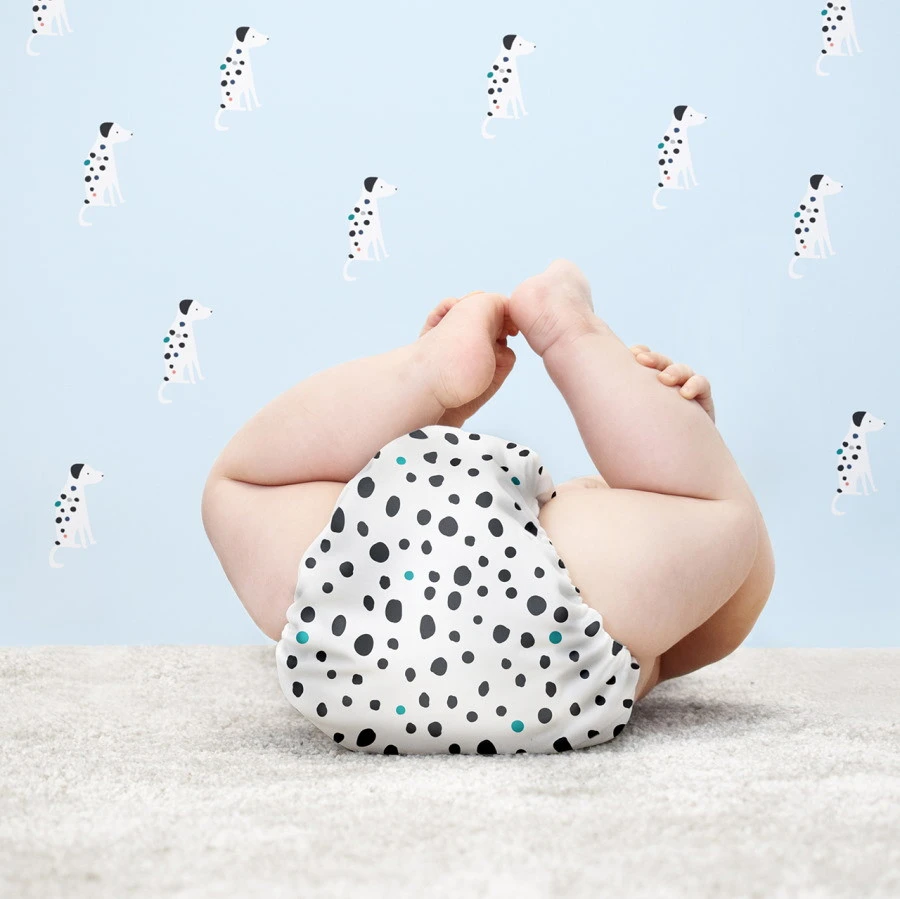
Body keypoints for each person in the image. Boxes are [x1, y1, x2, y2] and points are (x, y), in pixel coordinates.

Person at [201, 259, 775, 754]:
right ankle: (570, 338)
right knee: (722, 511)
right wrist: (698, 457)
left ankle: (433, 373)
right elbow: (736, 573)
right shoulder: (640, 640)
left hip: (352, 616)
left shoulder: (639, 626)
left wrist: (439, 416)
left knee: (242, 484)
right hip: (559, 656)